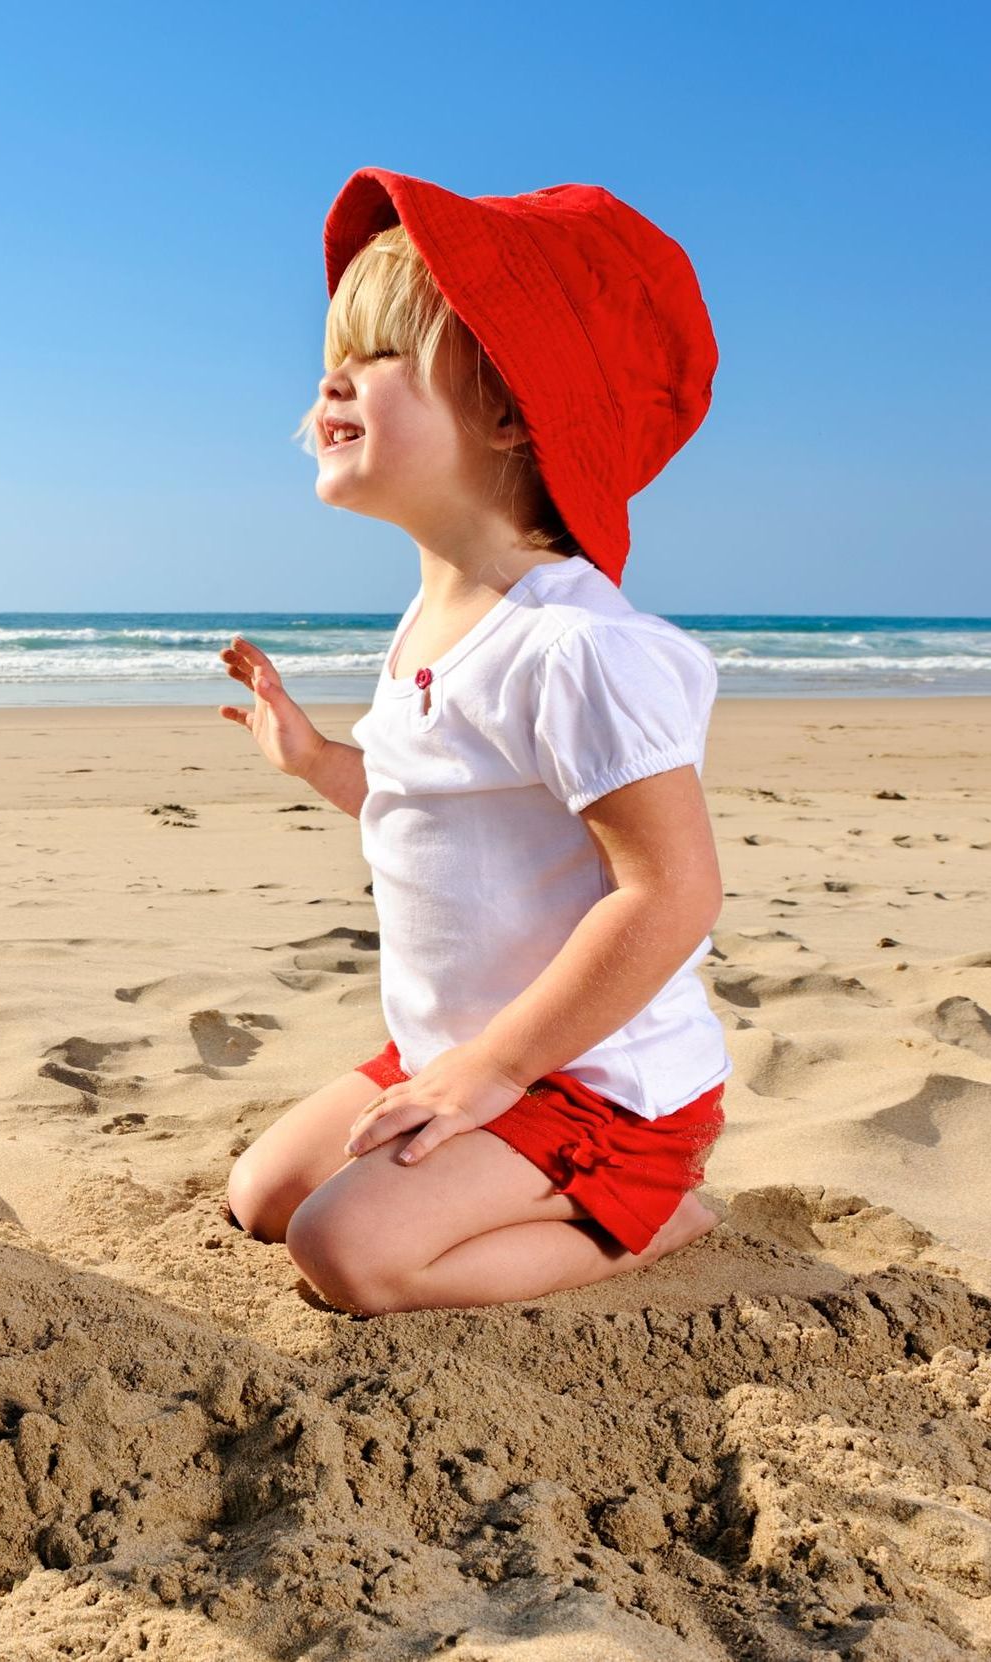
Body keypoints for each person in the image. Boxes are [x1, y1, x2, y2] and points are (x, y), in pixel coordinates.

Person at [218, 168, 728, 1313]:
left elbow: (671, 891)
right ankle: (492, 1139)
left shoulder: (576, 647)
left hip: (593, 1080)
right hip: (456, 1048)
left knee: (348, 1255)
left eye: (383, 352)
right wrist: (315, 761)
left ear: (509, 411)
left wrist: (493, 1072)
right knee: (264, 1197)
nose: (330, 375)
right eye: (334, 350)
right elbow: (441, 810)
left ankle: (653, 1212)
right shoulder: (430, 619)